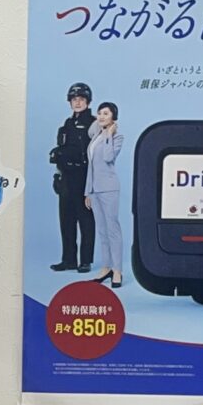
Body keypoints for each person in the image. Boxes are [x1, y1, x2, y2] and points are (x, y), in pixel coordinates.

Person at [48, 81, 96, 270]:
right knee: (66, 220)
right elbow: (62, 149)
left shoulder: (94, 124)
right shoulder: (67, 124)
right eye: (74, 99)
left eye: (81, 99)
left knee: (85, 220)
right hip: (67, 177)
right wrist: (57, 176)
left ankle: (85, 261)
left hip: (84, 177)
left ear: (88, 101)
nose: (77, 102)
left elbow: (98, 155)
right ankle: (69, 260)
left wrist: (93, 185)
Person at [86, 101, 127, 288]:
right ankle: (106, 267)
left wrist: (109, 134)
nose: (101, 116)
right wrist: (87, 192)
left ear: (113, 117)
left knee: (112, 230)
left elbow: (108, 157)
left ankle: (117, 270)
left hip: (109, 188)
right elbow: (91, 167)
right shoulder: (95, 135)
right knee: (102, 231)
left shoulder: (117, 137)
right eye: (100, 113)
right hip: (94, 189)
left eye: (106, 113)